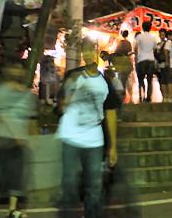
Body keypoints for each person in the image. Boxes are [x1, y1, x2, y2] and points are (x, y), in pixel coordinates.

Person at [57, 38, 119, 218]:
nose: (89, 53)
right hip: (71, 138)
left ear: (97, 52)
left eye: (92, 49)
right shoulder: (73, 76)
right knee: (69, 184)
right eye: (86, 50)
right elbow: (61, 106)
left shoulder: (105, 81)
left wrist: (113, 146)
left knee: (95, 186)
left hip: (94, 139)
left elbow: (111, 112)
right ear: (83, 54)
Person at [0, 63, 38, 218]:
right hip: (5, 137)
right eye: (13, 68)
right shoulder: (0, 90)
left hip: (20, 139)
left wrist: (30, 135)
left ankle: (12, 209)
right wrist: (14, 133)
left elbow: (30, 117)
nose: (16, 71)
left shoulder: (26, 92)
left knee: (16, 173)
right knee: (6, 175)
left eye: (19, 68)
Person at [135, 21, 157, 103]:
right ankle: (148, 97)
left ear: (142, 28)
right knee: (149, 80)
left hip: (141, 60)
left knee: (141, 79)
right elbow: (155, 49)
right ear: (150, 28)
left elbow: (135, 48)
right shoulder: (153, 37)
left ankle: (142, 95)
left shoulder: (139, 37)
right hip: (151, 60)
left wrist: (136, 59)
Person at [112, 30, 134, 103]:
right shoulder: (128, 43)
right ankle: (129, 96)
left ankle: (122, 96)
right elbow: (130, 52)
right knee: (128, 80)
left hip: (121, 63)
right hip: (127, 63)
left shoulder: (119, 43)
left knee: (122, 80)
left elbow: (116, 52)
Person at [158, 30, 172, 102]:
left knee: (163, 81)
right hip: (168, 65)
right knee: (169, 81)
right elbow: (166, 51)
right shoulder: (169, 42)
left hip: (161, 65)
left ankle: (165, 97)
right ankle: (170, 97)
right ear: (169, 36)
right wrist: (167, 62)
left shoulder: (160, 44)